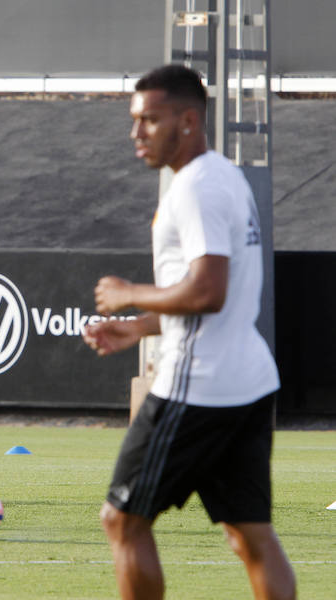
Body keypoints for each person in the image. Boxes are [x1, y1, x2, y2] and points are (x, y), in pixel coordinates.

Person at [82, 65, 295, 599]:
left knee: (123, 520)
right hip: (248, 381)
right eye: (135, 121)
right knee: (249, 535)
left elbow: (207, 290)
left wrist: (129, 293)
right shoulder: (226, 176)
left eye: (150, 120)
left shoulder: (195, 186)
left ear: (188, 120)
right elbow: (216, 301)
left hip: (196, 386)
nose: (137, 133)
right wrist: (139, 328)